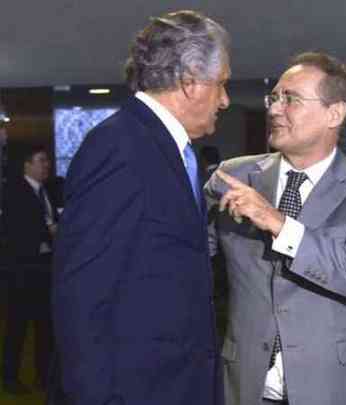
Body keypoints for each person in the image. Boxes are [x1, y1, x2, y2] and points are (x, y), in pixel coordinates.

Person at [204, 52, 346, 405]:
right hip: (245, 386)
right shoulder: (231, 177)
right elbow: (183, 255)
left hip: (336, 390)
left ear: (335, 113)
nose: (274, 110)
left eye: (291, 99)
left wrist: (280, 224)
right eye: (275, 97)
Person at [52, 10, 230, 405]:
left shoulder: (170, 150)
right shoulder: (119, 147)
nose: (225, 100)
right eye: (221, 85)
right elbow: (82, 292)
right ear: (189, 83)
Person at [1, 146, 56, 395]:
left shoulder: (46, 191)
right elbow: (21, 231)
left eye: (47, 161)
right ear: (27, 165)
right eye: (41, 160)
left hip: (43, 270)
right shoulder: (15, 193)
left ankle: (43, 377)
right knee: (18, 328)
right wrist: (51, 232)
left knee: (45, 326)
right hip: (22, 272)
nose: (47, 165)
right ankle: (10, 378)